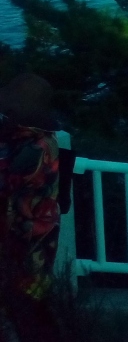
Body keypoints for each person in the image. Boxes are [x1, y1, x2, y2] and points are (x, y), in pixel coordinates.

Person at [0, 73, 63, 342]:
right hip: (27, 236)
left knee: (25, 307)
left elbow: (9, 185)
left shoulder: (38, 147)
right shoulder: (24, 139)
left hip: (27, 240)